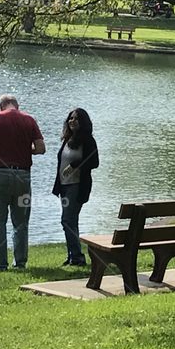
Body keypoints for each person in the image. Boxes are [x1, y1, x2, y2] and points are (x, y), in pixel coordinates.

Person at [0, 94, 46, 271]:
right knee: (21, 221)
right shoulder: (29, 120)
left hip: (0, 175)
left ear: (1, 106)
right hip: (23, 176)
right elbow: (41, 148)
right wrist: (26, 149)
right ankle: (20, 263)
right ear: (16, 105)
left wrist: (0, 148)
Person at [51, 107, 99, 266]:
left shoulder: (88, 140)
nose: (72, 121)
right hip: (64, 186)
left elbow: (94, 162)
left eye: (76, 118)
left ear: (83, 122)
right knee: (71, 221)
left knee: (67, 220)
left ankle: (77, 256)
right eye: (70, 118)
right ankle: (73, 255)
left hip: (77, 186)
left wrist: (74, 166)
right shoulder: (67, 139)